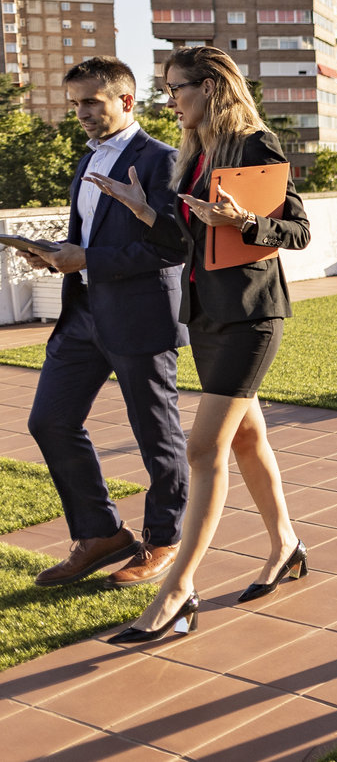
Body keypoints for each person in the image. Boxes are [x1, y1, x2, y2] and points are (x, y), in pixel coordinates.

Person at [87, 45, 312, 643]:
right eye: (166, 88)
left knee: (203, 448)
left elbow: (298, 230)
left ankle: (179, 591)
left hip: (251, 317)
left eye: (177, 88)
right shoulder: (194, 156)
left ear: (211, 87)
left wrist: (244, 224)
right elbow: (183, 242)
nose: (171, 100)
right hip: (206, 317)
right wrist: (142, 210)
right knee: (246, 437)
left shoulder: (254, 147)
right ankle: (286, 545)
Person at [26, 58, 190, 590]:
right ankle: (101, 534)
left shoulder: (165, 161)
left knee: (155, 435)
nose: (82, 113)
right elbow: (91, 236)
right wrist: (56, 255)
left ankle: (163, 539)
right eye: (75, 104)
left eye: (92, 102)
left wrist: (87, 259)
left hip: (140, 317)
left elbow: (170, 248)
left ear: (126, 101)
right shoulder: (88, 160)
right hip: (82, 316)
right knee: (49, 420)